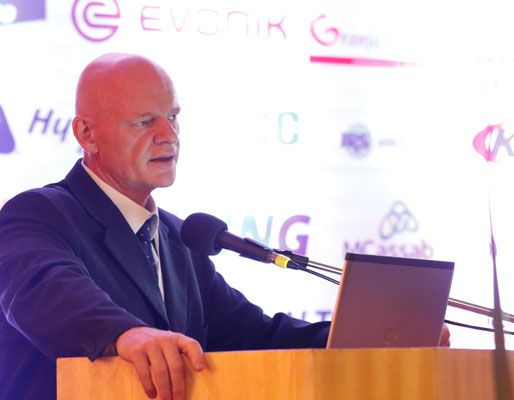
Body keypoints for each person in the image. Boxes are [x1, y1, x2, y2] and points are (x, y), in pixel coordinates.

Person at [0, 53, 449, 400]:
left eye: (173, 117)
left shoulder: (179, 240)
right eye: (144, 122)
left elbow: (256, 337)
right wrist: (125, 334)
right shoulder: (38, 213)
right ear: (87, 134)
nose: (169, 135)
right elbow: (43, 288)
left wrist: (366, 341)